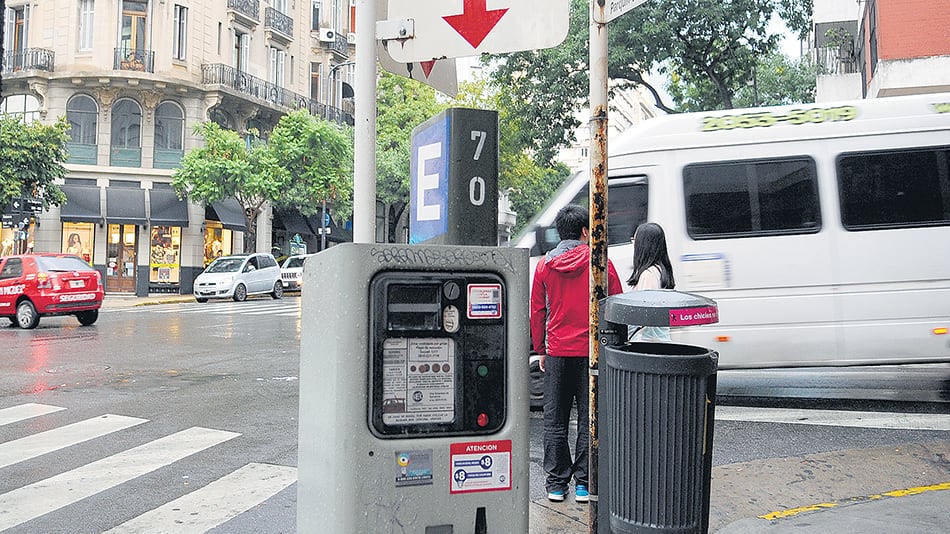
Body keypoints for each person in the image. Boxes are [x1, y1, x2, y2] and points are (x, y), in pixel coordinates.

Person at [530, 204, 623, 503]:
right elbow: (617, 303)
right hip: (591, 354)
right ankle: (585, 483)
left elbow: (537, 312)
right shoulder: (600, 262)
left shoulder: (544, 265)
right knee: (588, 419)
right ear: (586, 231)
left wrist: (540, 349)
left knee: (554, 420)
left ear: (561, 231)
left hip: (556, 351)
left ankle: (556, 484)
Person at [627, 222, 676, 342]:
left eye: (635, 240)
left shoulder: (648, 275)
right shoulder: (660, 270)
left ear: (643, 245)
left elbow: (646, 314)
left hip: (648, 343)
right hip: (658, 341)